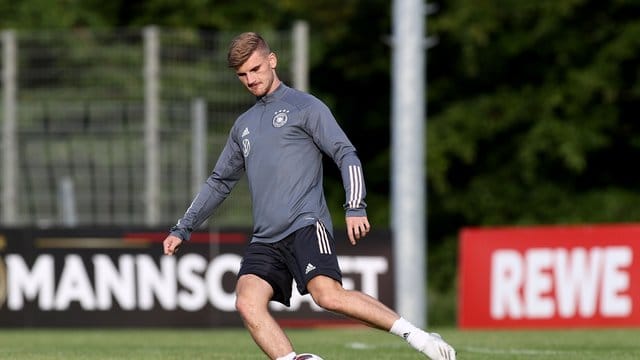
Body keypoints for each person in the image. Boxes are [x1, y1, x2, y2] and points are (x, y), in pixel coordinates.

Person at [162, 32, 456, 360]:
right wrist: (182, 228)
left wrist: (355, 205)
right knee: (246, 302)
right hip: (265, 237)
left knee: (326, 296)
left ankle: (416, 336)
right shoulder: (243, 126)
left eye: (256, 69)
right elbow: (218, 182)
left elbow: (346, 154)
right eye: (243, 75)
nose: (250, 79)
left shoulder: (305, 107)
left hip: (305, 223)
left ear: (272, 61)